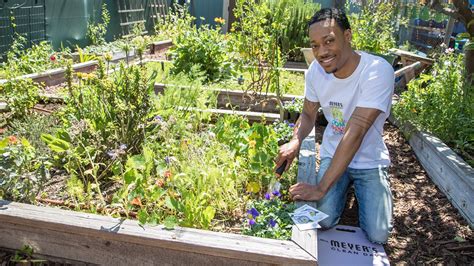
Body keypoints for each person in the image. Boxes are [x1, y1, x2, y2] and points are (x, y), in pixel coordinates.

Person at [275, 8, 394, 244]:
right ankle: (342, 184)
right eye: (315, 45)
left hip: (368, 159)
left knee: (378, 234)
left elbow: (356, 132)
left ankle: (361, 186)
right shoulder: (316, 72)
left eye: (329, 41)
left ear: (347, 36)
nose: (322, 52)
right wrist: (295, 141)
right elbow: (308, 114)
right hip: (332, 153)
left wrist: (320, 189)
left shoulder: (376, 71)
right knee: (324, 221)